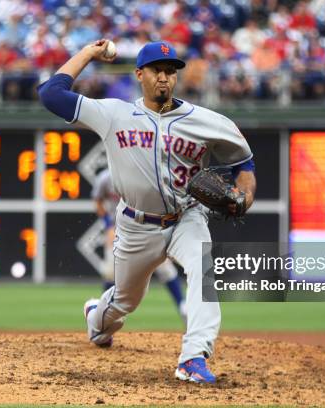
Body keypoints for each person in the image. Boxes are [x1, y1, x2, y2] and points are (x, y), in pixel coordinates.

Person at [37, 40, 256, 384]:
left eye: (171, 71)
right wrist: (89, 54)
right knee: (122, 304)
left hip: (188, 216)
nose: (165, 78)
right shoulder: (114, 114)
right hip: (137, 226)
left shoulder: (206, 121)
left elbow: (244, 162)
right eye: (157, 70)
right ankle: (97, 318)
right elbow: (51, 94)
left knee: (204, 267)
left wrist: (245, 195)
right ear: (140, 74)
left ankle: (193, 356)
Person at [92, 168, 187, 323]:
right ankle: (103, 315)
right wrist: (108, 224)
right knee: (111, 271)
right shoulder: (106, 178)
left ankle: (183, 307)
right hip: (117, 229)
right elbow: (97, 201)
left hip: (145, 228)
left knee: (165, 268)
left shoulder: (143, 173)